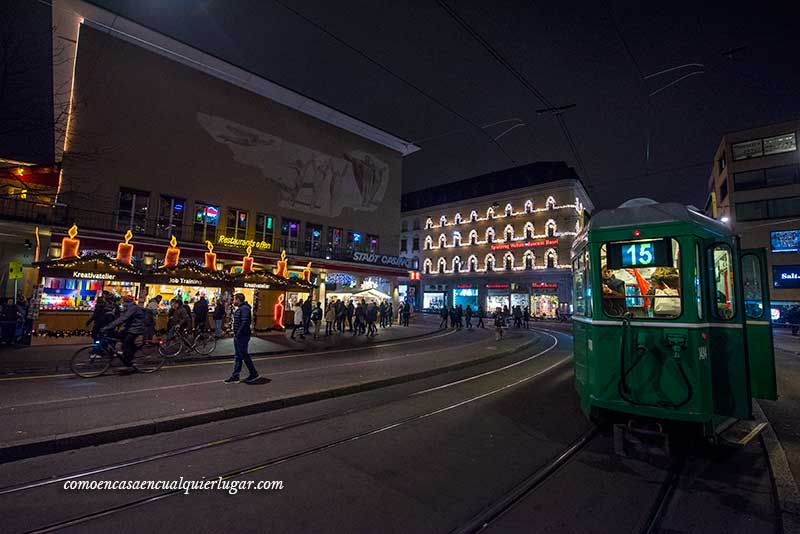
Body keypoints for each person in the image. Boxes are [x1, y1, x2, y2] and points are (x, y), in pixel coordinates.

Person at [101, 295, 145, 371]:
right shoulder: (128, 307)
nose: (123, 302)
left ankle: (129, 362)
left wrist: (108, 327)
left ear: (126, 301)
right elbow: (122, 319)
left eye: (124, 301)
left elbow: (123, 318)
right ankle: (124, 352)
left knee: (126, 343)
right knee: (118, 337)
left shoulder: (133, 308)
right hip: (130, 328)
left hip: (135, 329)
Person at [224, 293, 260, 384]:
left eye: (235, 299)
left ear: (238, 300)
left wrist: (238, 333)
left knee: (243, 355)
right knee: (238, 356)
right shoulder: (242, 308)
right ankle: (236, 375)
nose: (233, 301)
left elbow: (244, 322)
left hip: (242, 336)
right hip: (239, 335)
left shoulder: (244, 309)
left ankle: (253, 373)